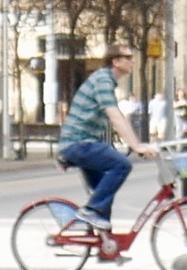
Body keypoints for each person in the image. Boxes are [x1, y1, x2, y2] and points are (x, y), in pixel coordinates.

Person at [60, 66, 142, 229]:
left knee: (104, 194)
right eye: (127, 57)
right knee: (122, 165)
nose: (132, 61)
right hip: (79, 143)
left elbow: (120, 117)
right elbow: (115, 116)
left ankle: (107, 249)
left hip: (83, 143)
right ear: (116, 61)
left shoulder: (107, 82)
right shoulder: (103, 80)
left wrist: (138, 144)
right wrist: (137, 146)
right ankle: (90, 210)